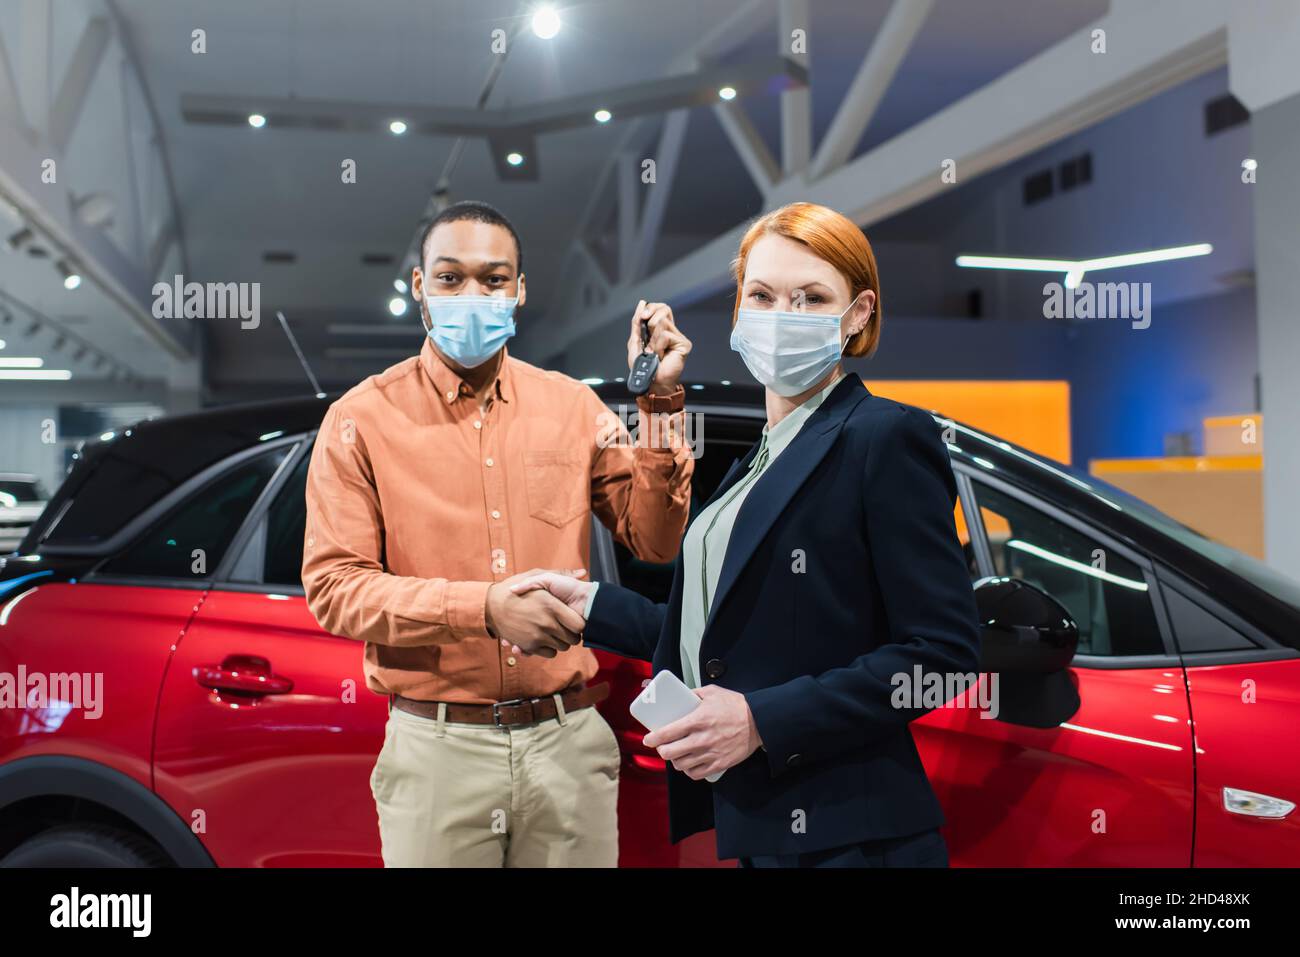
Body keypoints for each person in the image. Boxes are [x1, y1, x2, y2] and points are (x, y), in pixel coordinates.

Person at [509, 201, 981, 868]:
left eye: (811, 296)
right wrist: (587, 605)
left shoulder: (882, 437)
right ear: (738, 311)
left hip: (855, 838)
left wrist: (762, 720)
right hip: (769, 832)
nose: (781, 314)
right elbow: (718, 632)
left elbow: (943, 653)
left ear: (859, 313)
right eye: (761, 295)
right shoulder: (758, 461)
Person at [301, 200, 694, 867]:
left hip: (566, 742)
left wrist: (657, 405)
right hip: (439, 751)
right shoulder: (360, 419)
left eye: (493, 278)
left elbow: (654, 541)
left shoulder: (571, 406)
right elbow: (336, 588)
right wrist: (483, 609)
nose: (472, 294)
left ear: (518, 291)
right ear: (420, 286)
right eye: (451, 278)